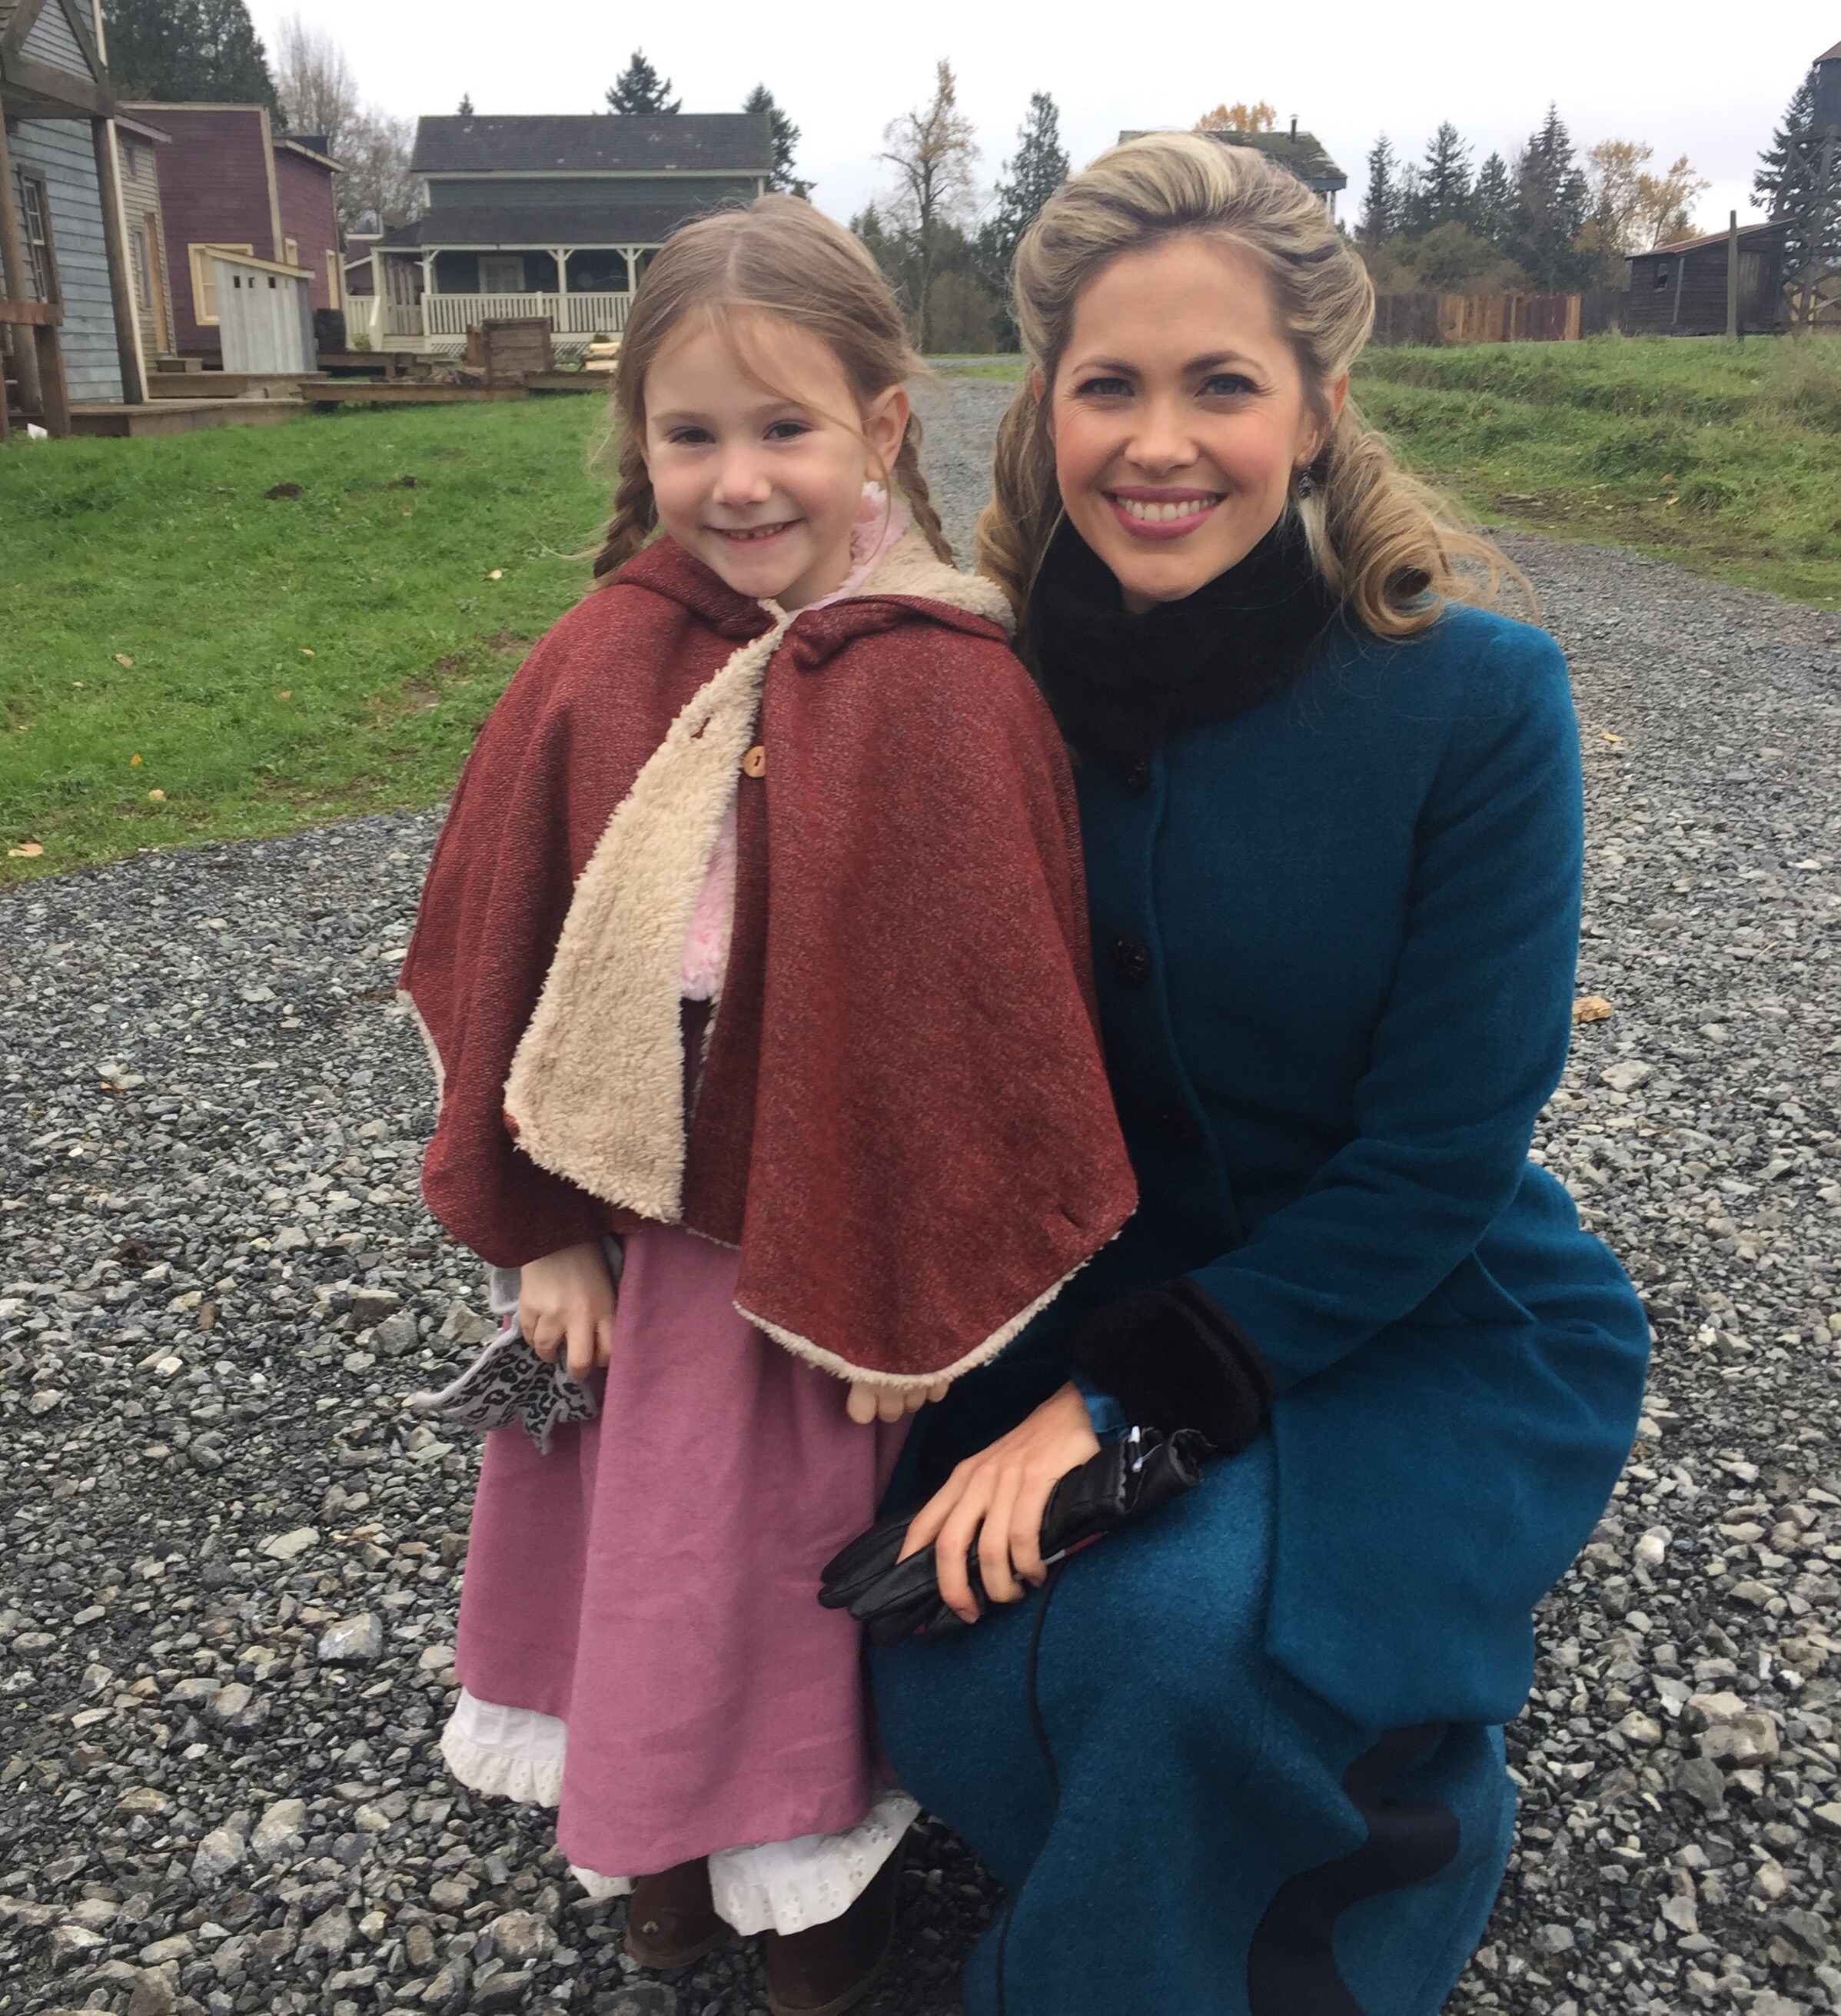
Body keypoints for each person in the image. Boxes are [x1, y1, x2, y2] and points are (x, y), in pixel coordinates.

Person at [869, 133, 1650, 2016]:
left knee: (1182, 1646)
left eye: (1221, 384)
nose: (1159, 443)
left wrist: (1124, 1406)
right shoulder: (961, 695)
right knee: (929, 1635)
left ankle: (1358, 1860)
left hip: (1408, 1312)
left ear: (1315, 412)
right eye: (1109, 384)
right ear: (1041, 400)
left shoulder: (1476, 704)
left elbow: (1444, 1145)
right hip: (1055, 1310)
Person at [397, 195, 1135, 2016]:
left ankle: (803, 1891)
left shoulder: (945, 676)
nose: (738, 480)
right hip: (631, 1231)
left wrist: (927, 1262)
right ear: (635, 437)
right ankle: (654, 1850)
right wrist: (544, 1225)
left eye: (786, 428)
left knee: (775, 1566)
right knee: (628, 1557)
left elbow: (987, 1008)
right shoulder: (603, 654)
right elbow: (511, 950)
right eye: (691, 433)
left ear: (882, 424)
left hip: (820, 1239)